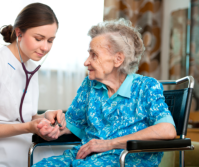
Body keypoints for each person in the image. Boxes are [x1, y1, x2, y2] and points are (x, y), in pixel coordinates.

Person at [34, 18, 177, 167]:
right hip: (84, 158)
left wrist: (109, 144)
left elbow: (167, 130)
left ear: (118, 59)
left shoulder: (146, 87)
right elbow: (71, 124)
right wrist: (53, 128)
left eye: (94, 55)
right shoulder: (90, 85)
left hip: (125, 160)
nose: (86, 62)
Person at [0, 3, 66, 167]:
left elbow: (23, 116)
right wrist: (29, 127)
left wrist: (45, 116)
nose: (45, 47)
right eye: (38, 39)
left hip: (26, 152)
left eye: (50, 40)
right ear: (19, 33)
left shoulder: (30, 68)